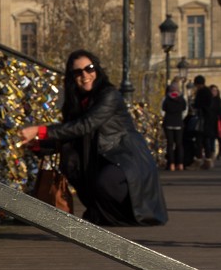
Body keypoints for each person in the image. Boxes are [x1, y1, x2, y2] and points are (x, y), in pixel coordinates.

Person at [19, 49, 167, 226]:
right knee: (70, 162)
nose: (85, 75)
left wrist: (39, 131)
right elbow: (70, 132)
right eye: (78, 72)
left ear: (97, 69)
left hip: (124, 155)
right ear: (72, 77)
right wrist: (38, 145)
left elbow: (86, 124)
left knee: (105, 182)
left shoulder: (109, 94)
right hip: (99, 157)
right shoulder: (75, 101)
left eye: (89, 68)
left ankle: (124, 216)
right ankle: (103, 214)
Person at [161, 77, 186, 171]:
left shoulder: (166, 98)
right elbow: (185, 110)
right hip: (179, 123)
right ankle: (180, 164)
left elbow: (162, 111)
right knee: (179, 144)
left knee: (170, 144)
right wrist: (180, 118)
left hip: (168, 123)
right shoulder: (181, 99)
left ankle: (171, 164)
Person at [191, 74, 214, 168]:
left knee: (199, 140)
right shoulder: (208, 92)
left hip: (202, 119)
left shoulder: (201, 92)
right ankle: (208, 159)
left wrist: (194, 105)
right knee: (205, 140)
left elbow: (198, 104)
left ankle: (199, 159)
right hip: (208, 119)